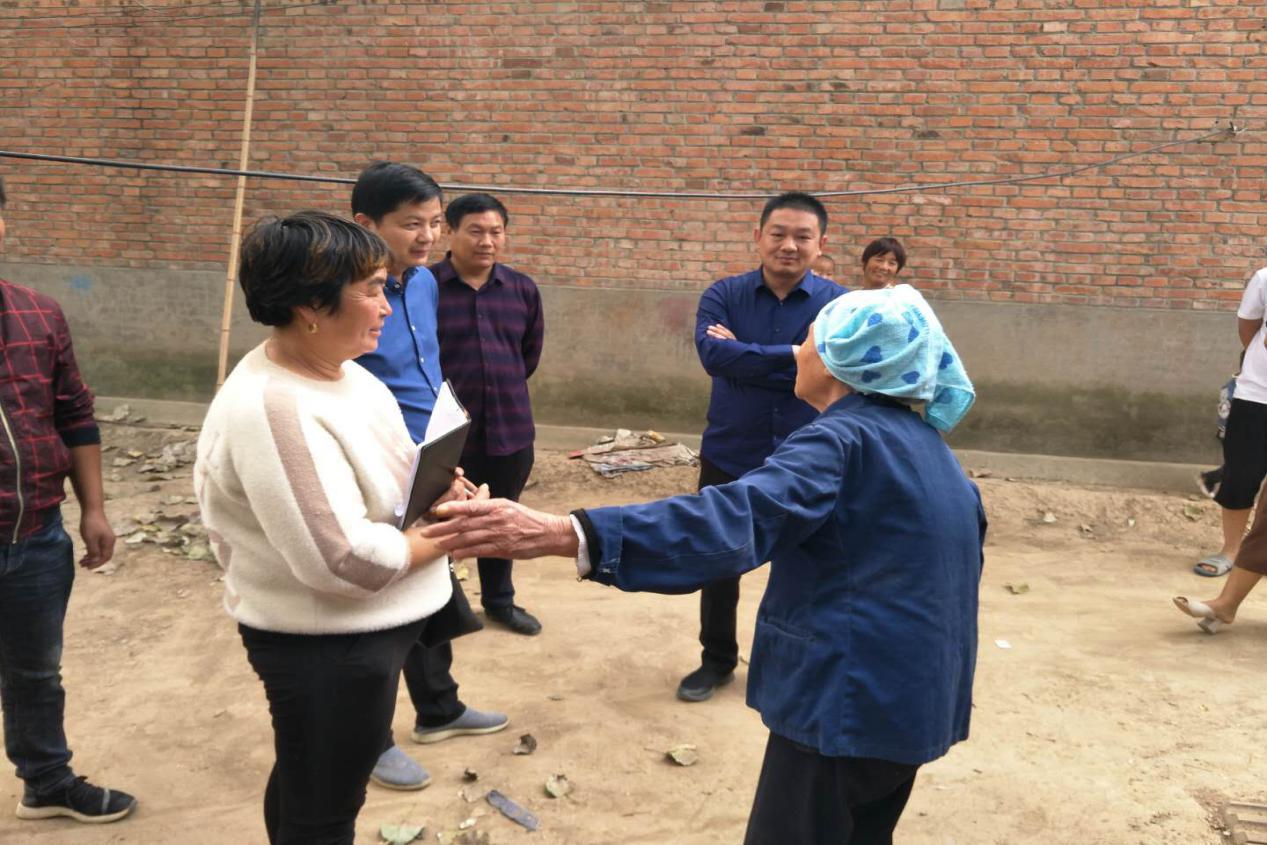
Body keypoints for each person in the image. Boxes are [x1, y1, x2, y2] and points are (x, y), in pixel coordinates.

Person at [424, 284, 986, 845]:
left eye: (811, 336)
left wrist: (561, 532)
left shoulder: (841, 442)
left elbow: (730, 520)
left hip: (845, 707)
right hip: (912, 702)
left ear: (842, 357)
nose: (799, 348)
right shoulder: (927, 448)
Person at [194, 211, 484, 844]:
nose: (386, 307)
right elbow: (345, 559)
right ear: (309, 307)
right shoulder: (274, 411)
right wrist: (451, 533)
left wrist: (439, 493)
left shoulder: (348, 373)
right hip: (327, 648)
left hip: (363, 633)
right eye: (372, 290)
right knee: (323, 810)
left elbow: (388, 480)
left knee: (308, 777)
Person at [350, 163, 509, 791]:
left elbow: (427, 370)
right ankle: (369, 742)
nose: (426, 236)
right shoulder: (348, 292)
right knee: (380, 606)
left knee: (427, 590)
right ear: (367, 224)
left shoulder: (423, 285)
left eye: (434, 222)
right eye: (410, 224)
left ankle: (439, 708)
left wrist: (443, 459)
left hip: (430, 456)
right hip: (375, 465)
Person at [0, 176, 136, 825]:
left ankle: (47, 781)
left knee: (35, 671)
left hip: (34, 537)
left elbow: (74, 414)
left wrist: (95, 509)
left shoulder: (38, 313)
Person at [682, 191, 844, 702]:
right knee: (719, 561)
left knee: (808, 567)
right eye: (778, 234)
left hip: (808, 458)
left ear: (821, 243)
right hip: (730, 452)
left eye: (802, 236)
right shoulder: (724, 295)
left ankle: (793, 667)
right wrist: (797, 356)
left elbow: (834, 368)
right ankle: (716, 661)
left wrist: (746, 357)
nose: (789, 245)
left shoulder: (839, 305)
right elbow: (713, 357)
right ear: (758, 237)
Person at [431, 193, 545, 636]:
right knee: (441, 518)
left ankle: (500, 602)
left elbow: (527, 356)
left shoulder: (521, 289)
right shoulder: (425, 288)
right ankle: (445, 609)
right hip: (446, 435)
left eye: (496, 232)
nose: (487, 241)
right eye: (475, 231)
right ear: (450, 232)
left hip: (510, 430)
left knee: (501, 518)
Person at [1175, 265, 1267, 625]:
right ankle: (1230, 561)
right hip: (1257, 395)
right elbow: (1249, 330)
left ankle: (1226, 602)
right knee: (1241, 477)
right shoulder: (1264, 278)